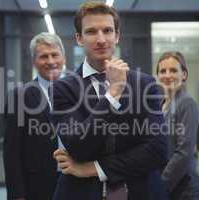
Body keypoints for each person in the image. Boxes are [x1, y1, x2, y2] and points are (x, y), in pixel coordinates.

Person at [51, 2, 167, 200]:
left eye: (107, 30)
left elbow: (158, 150)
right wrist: (112, 94)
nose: (101, 39)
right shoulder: (64, 89)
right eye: (91, 32)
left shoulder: (145, 84)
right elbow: (77, 146)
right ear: (79, 38)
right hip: (81, 193)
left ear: (117, 36)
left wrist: (93, 167)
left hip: (140, 192)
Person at [3, 32, 66, 200]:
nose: (51, 61)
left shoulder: (78, 92)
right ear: (34, 62)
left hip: (75, 182)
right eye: (43, 56)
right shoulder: (19, 96)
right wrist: (17, 194)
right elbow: (11, 151)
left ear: (63, 58)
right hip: (37, 185)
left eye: (55, 55)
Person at [156, 51, 199, 200]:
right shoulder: (163, 104)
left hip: (185, 191)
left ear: (184, 74)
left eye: (173, 70)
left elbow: (183, 152)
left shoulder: (186, 103)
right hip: (172, 188)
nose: (167, 75)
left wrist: (160, 184)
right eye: (162, 71)